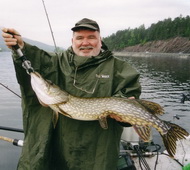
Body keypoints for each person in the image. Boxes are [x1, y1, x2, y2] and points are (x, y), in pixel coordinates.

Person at [2, 18, 141, 170]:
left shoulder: (119, 69)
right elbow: (37, 61)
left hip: (98, 151)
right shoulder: (57, 62)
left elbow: (129, 94)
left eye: (91, 37)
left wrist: (124, 113)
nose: (85, 42)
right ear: (72, 41)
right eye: (80, 38)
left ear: (100, 40)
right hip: (59, 148)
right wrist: (21, 47)